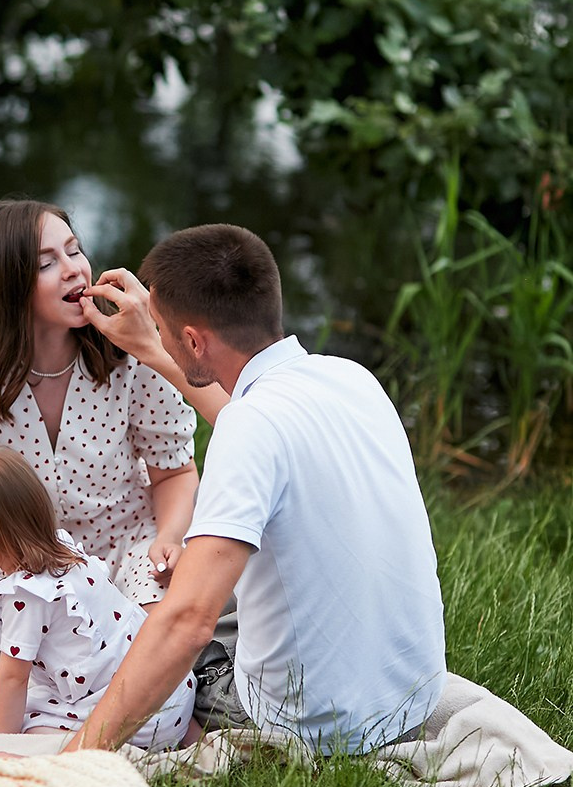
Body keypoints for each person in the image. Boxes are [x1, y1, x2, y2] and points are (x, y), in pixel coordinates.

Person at [64, 223, 447, 757]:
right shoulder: (350, 377)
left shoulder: (250, 426)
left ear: (194, 340)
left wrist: (78, 758)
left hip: (314, 725)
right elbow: (253, 422)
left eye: (164, 327)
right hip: (411, 698)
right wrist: (154, 347)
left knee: (145, 622)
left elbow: (188, 622)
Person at [0, 198, 202, 606]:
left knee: (156, 631)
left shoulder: (132, 359)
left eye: (74, 250)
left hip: (132, 549)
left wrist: (170, 538)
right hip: (28, 566)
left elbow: (175, 473)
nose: (74, 268)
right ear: (5, 286)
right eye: (45, 263)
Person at [0, 444, 198, 748]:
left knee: (35, 726)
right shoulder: (52, 547)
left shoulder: (29, 596)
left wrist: (4, 738)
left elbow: (11, 679)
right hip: (170, 682)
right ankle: (184, 727)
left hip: (132, 714)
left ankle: (162, 734)